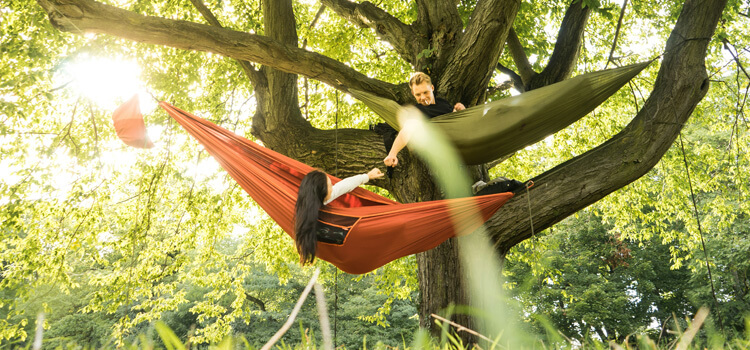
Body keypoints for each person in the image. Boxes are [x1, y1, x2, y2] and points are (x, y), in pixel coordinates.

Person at [294, 168, 384, 264]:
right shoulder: (305, 207)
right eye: (330, 186)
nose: (333, 188)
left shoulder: (317, 199)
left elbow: (343, 186)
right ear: (322, 191)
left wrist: (367, 176)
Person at [383, 72, 465, 167]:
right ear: (413, 93)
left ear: (432, 88)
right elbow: (407, 130)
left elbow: (455, 119)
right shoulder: (416, 111)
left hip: (459, 142)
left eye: (426, 92)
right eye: (418, 94)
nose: (423, 97)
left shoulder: (443, 103)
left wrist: (462, 111)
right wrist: (392, 153)